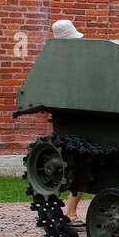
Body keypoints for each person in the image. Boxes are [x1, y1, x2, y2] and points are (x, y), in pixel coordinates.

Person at [51, 19, 85, 224]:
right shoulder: (62, 61)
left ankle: (70, 211)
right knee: (79, 168)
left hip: (77, 119)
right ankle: (70, 212)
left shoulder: (65, 59)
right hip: (75, 121)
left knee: (81, 168)